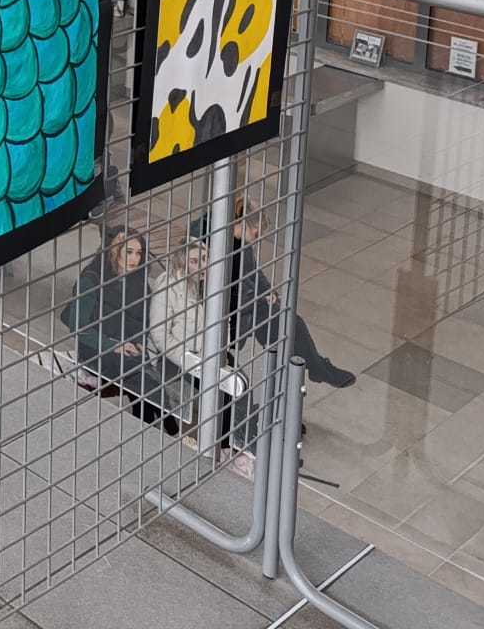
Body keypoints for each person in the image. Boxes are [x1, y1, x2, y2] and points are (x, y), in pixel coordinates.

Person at [188, 201, 356, 389]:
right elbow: (219, 288)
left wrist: (267, 290)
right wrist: (260, 298)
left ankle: (315, 367)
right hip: (218, 314)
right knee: (283, 325)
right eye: (256, 233)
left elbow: (252, 271)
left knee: (290, 323)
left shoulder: (238, 240)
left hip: (242, 304)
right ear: (242, 224)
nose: (257, 239)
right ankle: (311, 370)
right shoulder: (211, 243)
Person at [148, 239, 256, 470]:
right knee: (221, 392)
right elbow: (159, 335)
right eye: (195, 261)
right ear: (182, 264)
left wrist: (220, 346)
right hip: (180, 359)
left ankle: (229, 444)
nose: (203, 265)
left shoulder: (208, 285)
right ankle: (221, 447)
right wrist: (190, 360)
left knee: (238, 385)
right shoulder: (169, 289)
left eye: (205, 259)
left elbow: (221, 321)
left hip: (208, 353)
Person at [62, 228, 174, 427]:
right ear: (115, 252)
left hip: (128, 349)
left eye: (139, 253)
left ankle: (152, 423)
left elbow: (141, 321)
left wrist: (138, 342)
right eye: (128, 252)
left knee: (144, 372)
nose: (135, 259)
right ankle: (169, 427)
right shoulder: (91, 279)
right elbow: (78, 328)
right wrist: (115, 346)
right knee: (144, 377)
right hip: (96, 349)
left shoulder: (138, 282)